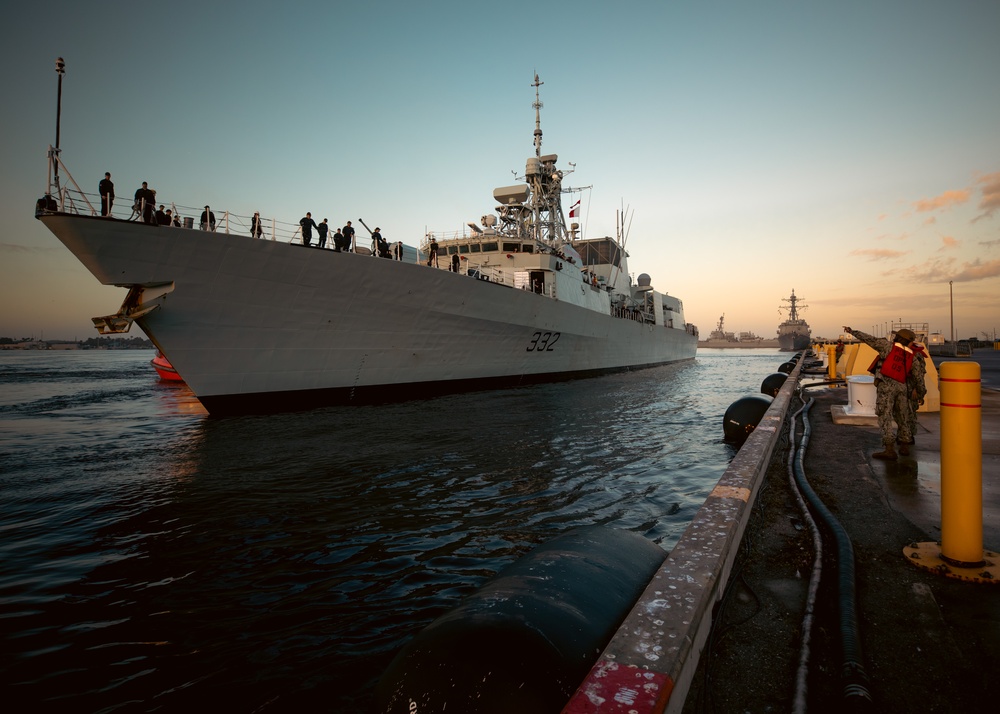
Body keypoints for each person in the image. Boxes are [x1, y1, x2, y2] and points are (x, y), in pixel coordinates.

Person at [843, 326, 927, 460]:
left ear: (897, 338)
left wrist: (853, 331)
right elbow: (919, 378)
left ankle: (889, 449)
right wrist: (921, 394)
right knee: (903, 415)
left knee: (885, 415)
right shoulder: (913, 357)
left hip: (886, 387)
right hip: (903, 387)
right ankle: (905, 446)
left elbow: (869, 339)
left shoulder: (886, 347)